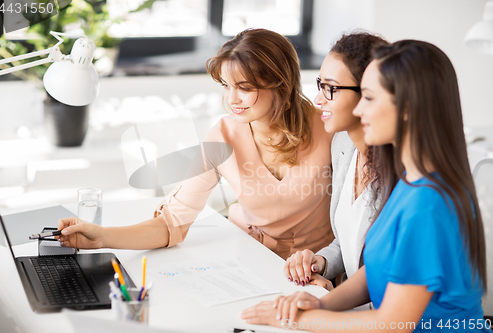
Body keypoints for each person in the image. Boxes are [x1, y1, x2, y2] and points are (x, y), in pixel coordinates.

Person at [241, 40, 489, 332]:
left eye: (369, 98)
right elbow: (374, 271)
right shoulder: (409, 183)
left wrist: (299, 320)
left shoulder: (428, 203)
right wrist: (321, 304)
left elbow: (394, 323)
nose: (359, 111)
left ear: (408, 108)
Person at [56, 28, 335, 260]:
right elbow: (171, 223)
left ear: (281, 85)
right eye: (226, 85)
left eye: (245, 88)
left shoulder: (331, 129)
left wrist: (327, 267)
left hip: (314, 268)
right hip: (249, 257)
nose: (232, 99)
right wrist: (100, 236)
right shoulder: (224, 136)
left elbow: (361, 219)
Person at [283, 32, 393, 293]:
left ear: (369, 93)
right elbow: (347, 245)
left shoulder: (402, 173)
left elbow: (387, 280)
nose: (319, 99)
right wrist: (319, 263)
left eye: (330, 88)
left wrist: (331, 300)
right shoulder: (343, 144)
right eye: (320, 84)